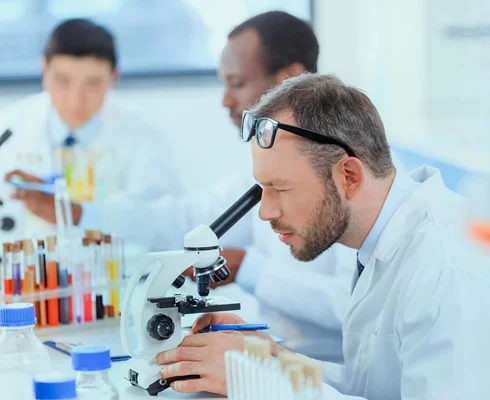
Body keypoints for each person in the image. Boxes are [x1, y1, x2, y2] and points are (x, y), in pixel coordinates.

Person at [153, 74, 490, 399]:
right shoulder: (383, 245)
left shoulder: (450, 272)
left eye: (279, 189)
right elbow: (372, 388)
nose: (265, 212)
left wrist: (255, 380)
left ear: (349, 176)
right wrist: (269, 358)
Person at [4, 12, 357, 332]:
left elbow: (355, 304)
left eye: (235, 83)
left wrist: (246, 266)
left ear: (288, 79)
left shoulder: (346, 174)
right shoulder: (260, 169)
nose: (224, 100)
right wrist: (77, 212)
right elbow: (178, 217)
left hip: (318, 368)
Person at [0, 18, 178, 243]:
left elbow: (162, 223)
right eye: (63, 81)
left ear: (114, 77)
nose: (75, 101)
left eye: (92, 84)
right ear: (43, 69)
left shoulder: (143, 140)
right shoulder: (8, 128)